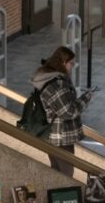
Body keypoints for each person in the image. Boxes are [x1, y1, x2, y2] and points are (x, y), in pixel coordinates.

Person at [31, 46, 93, 177]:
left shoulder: (50, 79)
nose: (72, 67)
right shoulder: (57, 83)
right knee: (66, 176)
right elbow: (68, 112)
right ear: (63, 62)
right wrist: (86, 98)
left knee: (57, 174)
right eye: (71, 63)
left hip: (54, 135)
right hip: (60, 137)